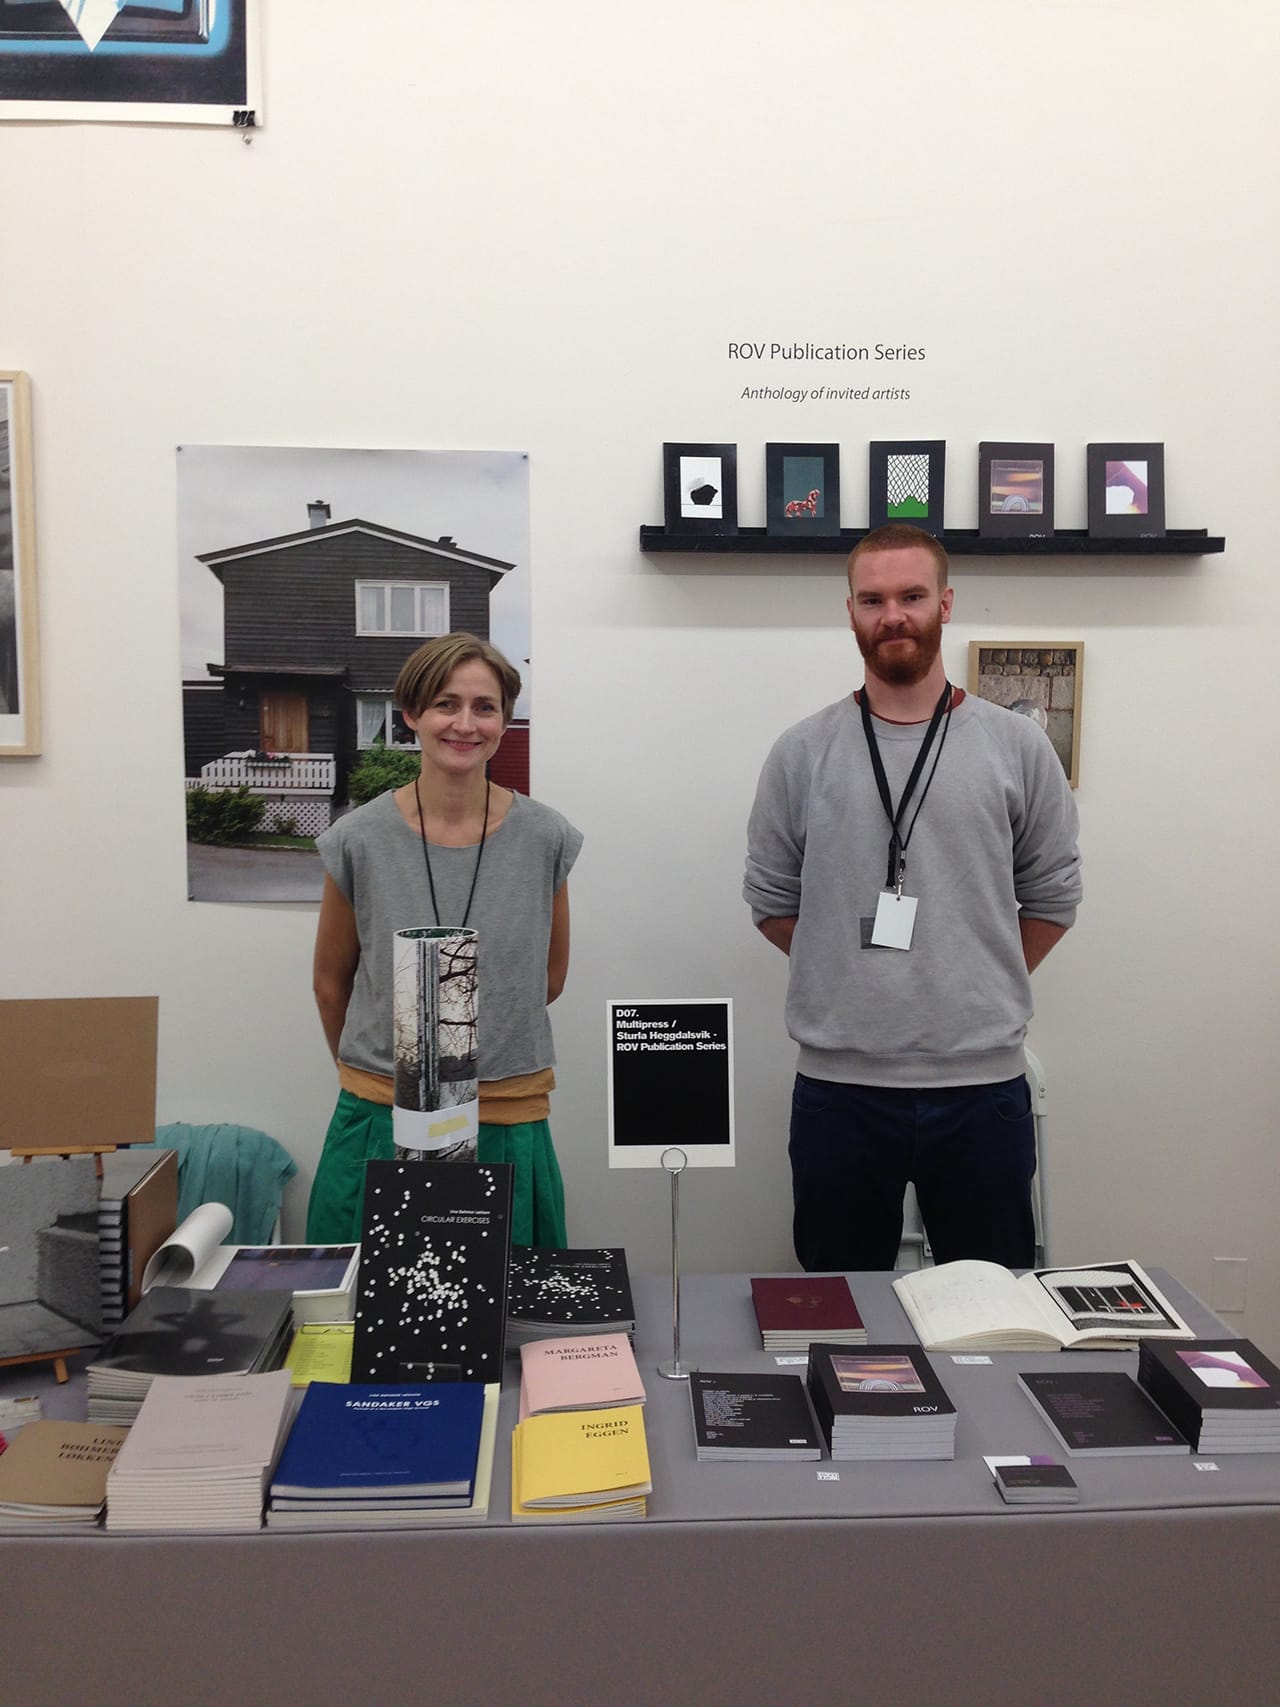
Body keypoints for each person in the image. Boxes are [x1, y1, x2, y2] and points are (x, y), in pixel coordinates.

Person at [743, 523, 1081, 1272]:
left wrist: (973, 968)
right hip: (839, 1089)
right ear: (851, 611)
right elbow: (769, 897)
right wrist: (848, 970)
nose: (892, 614)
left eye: (911, 595)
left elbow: (1054, 895)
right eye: (873, 599)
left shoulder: (1016, 747)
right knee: (842, 1313)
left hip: (982, 1087)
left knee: (990, 1313)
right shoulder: (802, 751)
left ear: (946, 603)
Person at [307, 632, 582, 1248]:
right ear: (411, 715)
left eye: (484, 707)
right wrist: (381, 1077)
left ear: (505, 721)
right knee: (373, 1320)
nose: (465, 723)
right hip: (382, 1115)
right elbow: (331, 984)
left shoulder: (546, 838)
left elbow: (549, 977)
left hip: (507, 1115)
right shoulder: (360, 839)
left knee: (507, 1320)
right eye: (445, 704)